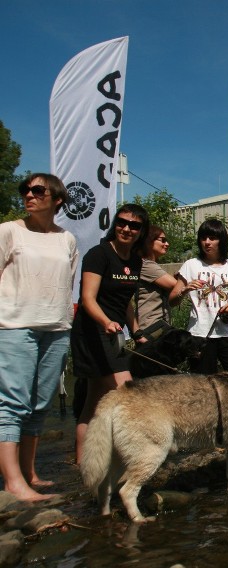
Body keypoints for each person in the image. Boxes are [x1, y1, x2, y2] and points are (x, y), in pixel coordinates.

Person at [0, 174, 77, 501]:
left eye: (37, 190)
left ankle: (29, 472)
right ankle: (13, 482)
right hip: (15, 326)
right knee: (12, 403)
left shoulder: (67, 239)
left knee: (39, 404)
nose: (28, 195)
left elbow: (67, 282)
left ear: (57, 198)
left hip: (56, 328)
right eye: (25, 191)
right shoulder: (8, 231)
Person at [72, 204, 149, 463]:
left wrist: (136, 331)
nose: (127, 228)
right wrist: (106, 321)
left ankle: (83, 464)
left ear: (141, 231)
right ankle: (127, 461)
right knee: (127, 394)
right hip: (92, 332)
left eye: (134, 225)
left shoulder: (136, 261)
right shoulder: (99, 254)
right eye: (122, 222)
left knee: (94, 402)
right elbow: (87, 299)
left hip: (113, 333)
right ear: (115, 224)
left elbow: (125, 302)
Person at [171, 218, 228, 374]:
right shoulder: (190, 265)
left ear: (221, 240)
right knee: (203, 385)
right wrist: (185, 290)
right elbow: (172, 300)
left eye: (212, 238)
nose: (207, 242)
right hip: (199, 334)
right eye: (203, 238)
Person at [135, 225, 178, 334]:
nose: (167, 244)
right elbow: (175, 285)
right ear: (149, 241)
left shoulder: (151, 265)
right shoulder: (146, 265)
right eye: (162, 240)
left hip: (159, 324)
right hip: (151, 326)